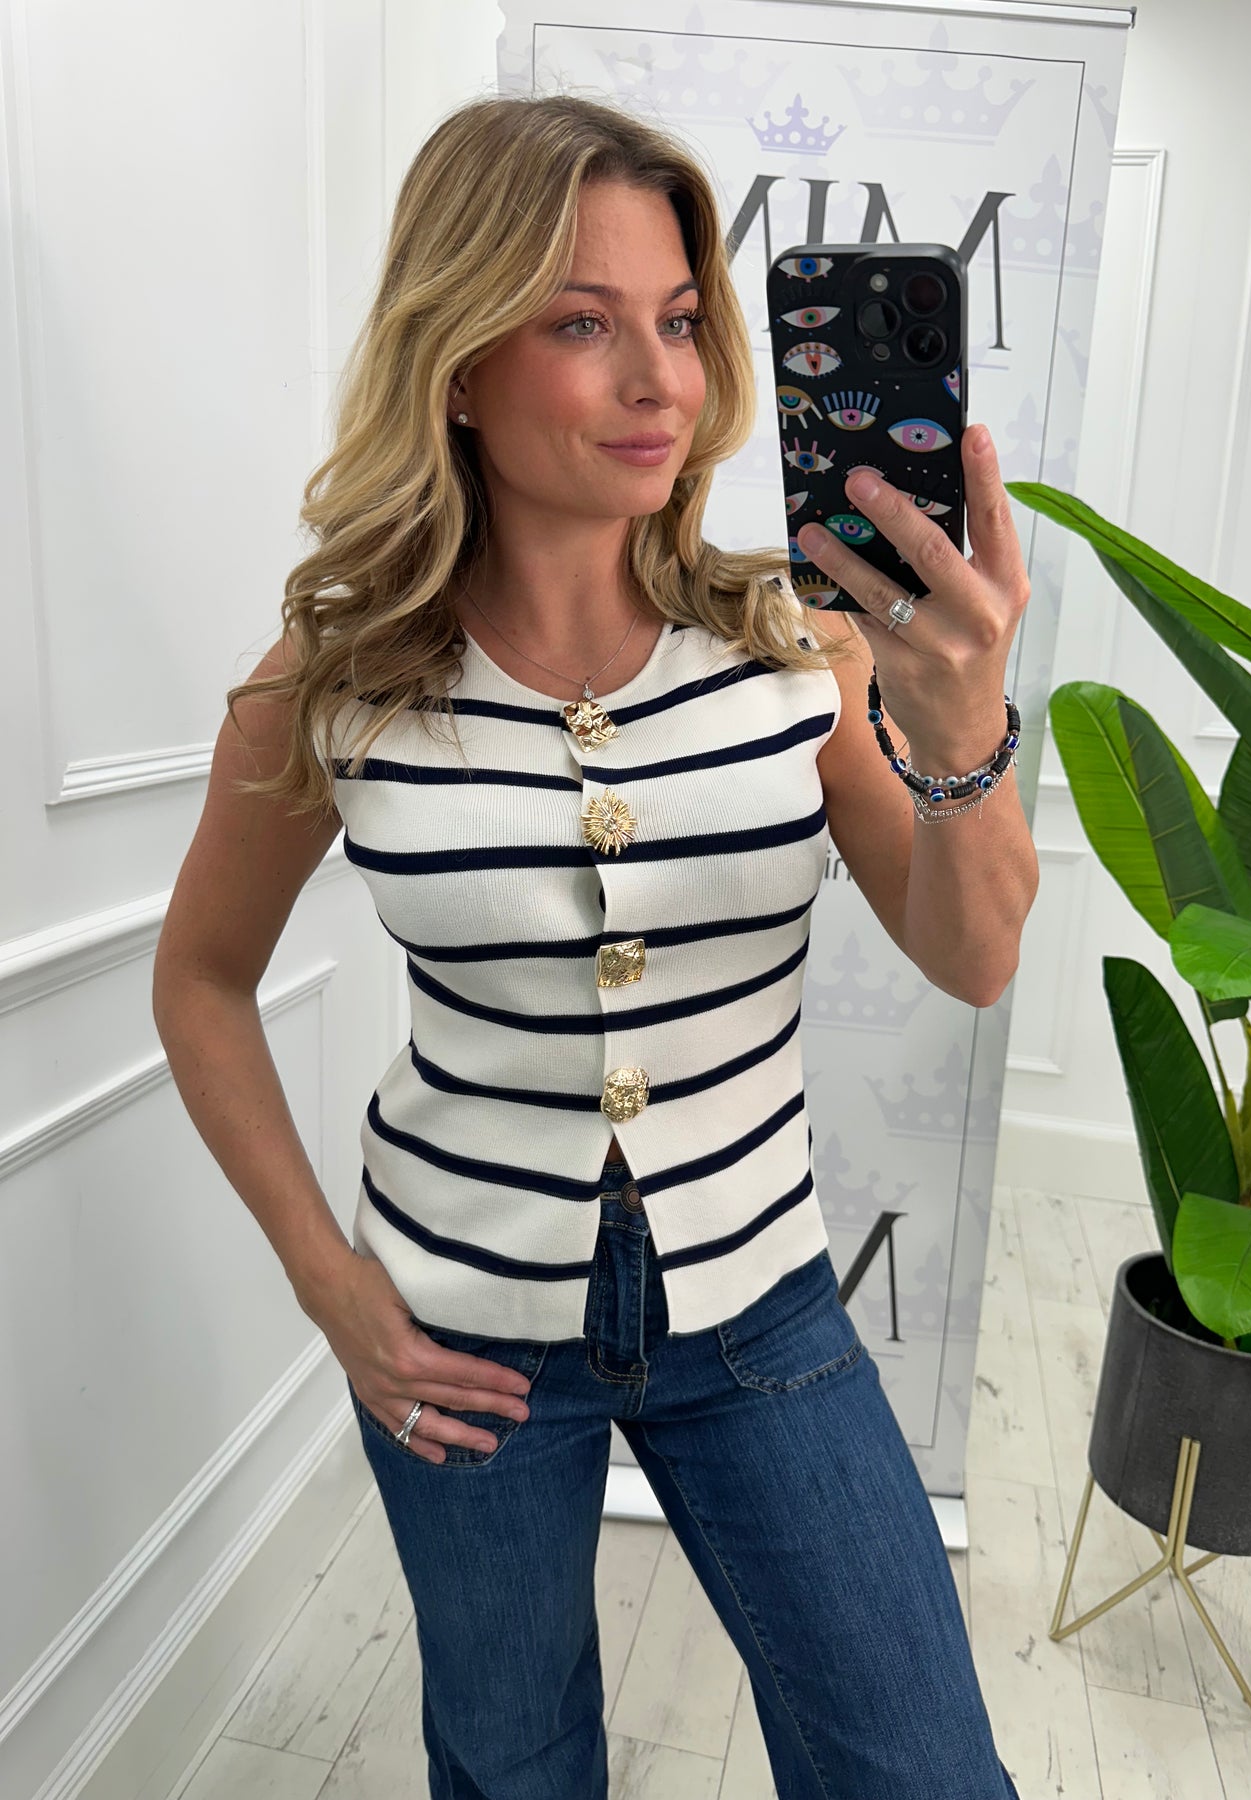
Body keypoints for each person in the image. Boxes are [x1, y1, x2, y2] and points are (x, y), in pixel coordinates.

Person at [153, 90, 1036, 1800]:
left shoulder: (800, 644)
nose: (659, 383)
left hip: (760, 1296)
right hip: (454, 1322)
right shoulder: (332, 681)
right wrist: (328, 1283)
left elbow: (974, 956)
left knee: (920, 1768)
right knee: (511, 1762)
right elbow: (199, 981)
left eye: (681, 322)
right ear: (457, 363)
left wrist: (964, 728)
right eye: (581, 324)